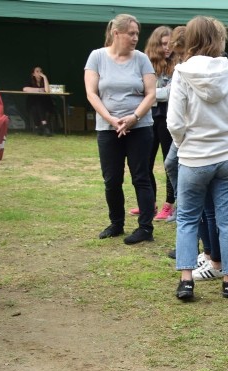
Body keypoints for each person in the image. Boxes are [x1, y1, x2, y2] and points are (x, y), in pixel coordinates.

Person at [168, 16, 228, 301]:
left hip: (194, 158)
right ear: (219, 40)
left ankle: (186, 280)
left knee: (187, 219)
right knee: (227, 220)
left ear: (191, 40)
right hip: (227, 158)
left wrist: (186, 144)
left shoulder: (181, 73)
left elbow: (174, 123)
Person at [85, 13, 157, 245]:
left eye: (137, 33)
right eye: (131, 33)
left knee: (141, 177)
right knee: (112, 179)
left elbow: (151, 94)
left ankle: (145, 228)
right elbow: (92, 93)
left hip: (140, 127)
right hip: (108, 129)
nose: (136, 38)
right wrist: (111, 119)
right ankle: (116, 223)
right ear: (116, 33)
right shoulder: (97, 57)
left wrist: (134, 117)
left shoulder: (142, 59)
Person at [144, 26, 176, 222]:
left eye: (170, 44)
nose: (167, 48)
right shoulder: (147, 64)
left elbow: (171, 92)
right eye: (163, 44)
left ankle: (169, 205)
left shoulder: (178, 63)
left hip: (168, 118)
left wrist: (150, 94)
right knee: (145, 162)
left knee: (168, 163)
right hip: (148, 117)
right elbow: (142, 89)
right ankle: (148, 203)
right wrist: (155, 94)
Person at [24, 66, 54, 136]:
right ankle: (44, 126)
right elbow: (25, 89)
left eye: (41, 71)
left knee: (39, 104)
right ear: (33, 74)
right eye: (37, 71)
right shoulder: (30, 80)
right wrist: (39, 90)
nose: (39, 73)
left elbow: (47, 90)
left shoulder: (45, 80)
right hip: (32, 103)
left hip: (46, 103)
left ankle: (39, 127)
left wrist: (45, 77)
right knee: (36, 105)